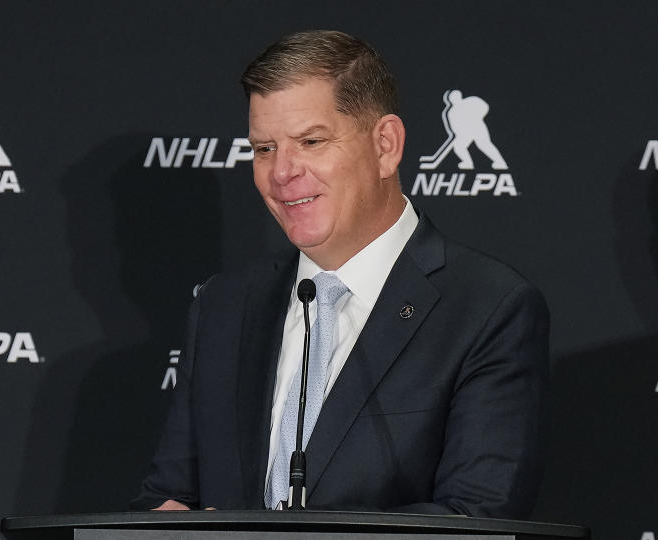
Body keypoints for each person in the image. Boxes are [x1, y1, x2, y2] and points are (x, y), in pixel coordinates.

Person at [134, 30, 549, 518]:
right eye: (264, 149)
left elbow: (477, 516)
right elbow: (170, 497)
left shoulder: (488, 308)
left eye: (311, 141)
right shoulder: (225, 305)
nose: (282, 172)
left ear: (385, 145)